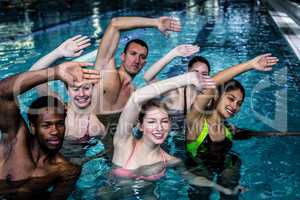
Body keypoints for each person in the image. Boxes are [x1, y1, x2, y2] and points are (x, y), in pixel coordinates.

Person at [107, 71, 242, 199]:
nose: (159, 128)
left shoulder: (170, 160)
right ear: (141, 126)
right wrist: (187, 78)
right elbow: (136, 98)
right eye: (152, 121)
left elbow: (192, 178)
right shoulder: (124, 144)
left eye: (164, 121)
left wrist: (224, 189)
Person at [0, 61, 100, 199]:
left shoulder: (67, 170)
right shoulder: (15, 139)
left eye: (59, 124)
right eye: (46, 125)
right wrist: (56, 72)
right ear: (33, 127)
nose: (54, 131)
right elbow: (2, 92)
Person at [185, 53, 279, 199]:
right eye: (231, 98)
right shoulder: (196, 121)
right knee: (202, 178)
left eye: (239, 104)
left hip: (223, 172)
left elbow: (256, 134)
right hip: (199, 173)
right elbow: (213, 84)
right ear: (216, 95)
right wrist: (250, 65)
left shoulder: (229, 130)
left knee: (233, 162)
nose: (234, 106)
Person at [93, 16, 181, 115]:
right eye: (133, 54)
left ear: (144, 63)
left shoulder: (135, 95)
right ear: (123, 56)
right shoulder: (106, 73)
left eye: (142, 57)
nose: (137, 60)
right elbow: (115, 24)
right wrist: (156, 23)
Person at [29, 35, 106, 140]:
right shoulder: (57, 107)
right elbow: (33, 75)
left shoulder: (94, 126)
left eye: (86, 88)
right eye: (75, 89)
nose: (81, 94)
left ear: (93, 88)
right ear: (67, 90)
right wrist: (58, 53)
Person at [144, 44, 211, 113]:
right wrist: (173, 53)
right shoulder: (174, 92)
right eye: (195, 72)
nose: (199, 77)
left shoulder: (208, 97)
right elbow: (148, 78)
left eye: (204, 74)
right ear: (187, 72)